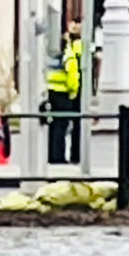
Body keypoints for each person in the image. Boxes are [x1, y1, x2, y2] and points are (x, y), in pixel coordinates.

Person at [45, 21, 84, 165]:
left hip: (53, 90)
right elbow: (73, 75)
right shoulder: (73, 52)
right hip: (64, 92)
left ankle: (54, 156)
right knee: (64, 126)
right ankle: (62, 157)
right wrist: (74, 92)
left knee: (55, 126)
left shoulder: (57, 52)